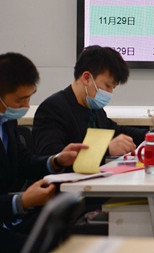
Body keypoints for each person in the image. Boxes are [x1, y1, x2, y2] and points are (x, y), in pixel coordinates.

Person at [0, 52, 86, 253]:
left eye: (29, 98)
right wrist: (21, 201)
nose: (26, 106)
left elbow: (22, 161)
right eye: (20, 100)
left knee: (63, 229)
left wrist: (56, 160)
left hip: (8, 217)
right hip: (7, 215)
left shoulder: (6, 121)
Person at [33, 46, 146, 158]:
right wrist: (105, 149)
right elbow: (50, 154)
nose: (110, 93)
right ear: (86, 78)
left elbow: (115, 130)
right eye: (107, 86)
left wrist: (150, 136)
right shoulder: (53, 108)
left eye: (113, 88)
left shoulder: (95, 109)